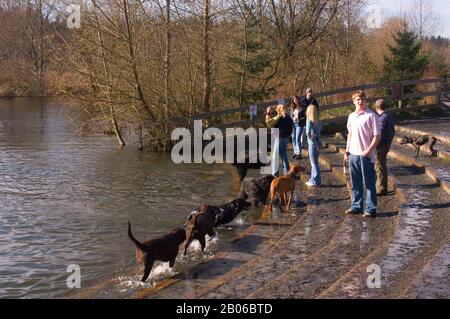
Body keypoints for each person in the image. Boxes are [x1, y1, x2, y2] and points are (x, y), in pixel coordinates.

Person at [344, 90, 381, 218]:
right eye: (357, 99)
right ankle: (356, 206)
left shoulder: (372, 116)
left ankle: (371, 209)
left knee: (369, 183)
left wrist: (368, 151)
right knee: (355, 182)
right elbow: (350, 134)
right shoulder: (351, 116)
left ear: (366, 100)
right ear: (353, 101)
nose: (360, 101)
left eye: (362, 99)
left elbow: (377, 136)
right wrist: (347, 150)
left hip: (366, 155)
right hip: (353, 154)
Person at [266, 104, 293, 177]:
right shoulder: (288, 118)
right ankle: (287, 172)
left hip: (279, 138)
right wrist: (288, 135)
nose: (276, 110)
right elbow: (291, 128)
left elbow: (268, 122)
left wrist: (268, 113)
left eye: (277, 109)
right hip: (286, 138)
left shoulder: (278, 117)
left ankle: (274, 173)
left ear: (279, 110)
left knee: (275, 155)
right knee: (284, 155)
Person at [375, 99, 395, 196]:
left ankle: (382, 188)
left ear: (376, 107)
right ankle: (381, 186)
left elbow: (379, 133)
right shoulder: (389, 117)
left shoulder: (381, 119)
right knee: (381, 165)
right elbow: (393, 131)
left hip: (380, 146)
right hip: (386, 145)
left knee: (380, 167)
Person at [305, 104, 322, 187]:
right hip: (318, 144)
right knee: (315, 162)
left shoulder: (309, 122)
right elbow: (320, 130)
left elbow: (307, 133)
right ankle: (312, 179)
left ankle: (316, 181)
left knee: (314, 163)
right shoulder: (318, 121)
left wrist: (311, 135)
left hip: (312, 144)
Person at [291, 95, 305, 159]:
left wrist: (298, 118)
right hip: (293, 125)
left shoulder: (302, 107)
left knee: (297, 138)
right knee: (293, 138)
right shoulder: (292, 108)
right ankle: (295, 152)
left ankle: (299, 154)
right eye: (295, 100)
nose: (296, 101)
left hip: (299, 124)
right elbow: (291, 116)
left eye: (297, 99)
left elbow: (305, 117)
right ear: (293, 101)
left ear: (299, 99)